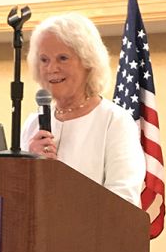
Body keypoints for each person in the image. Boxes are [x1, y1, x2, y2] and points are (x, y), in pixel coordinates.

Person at [21, 13, 145, 206]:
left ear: (88, 63)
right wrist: (27, 167)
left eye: (62, 58)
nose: (51, 68)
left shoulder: (114, 120)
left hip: (93, 233)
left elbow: (123, 199)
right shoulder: (33, 123)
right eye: (44, 60)